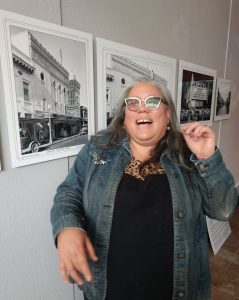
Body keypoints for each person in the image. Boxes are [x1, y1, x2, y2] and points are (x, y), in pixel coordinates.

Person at [50, 78, 238, 300]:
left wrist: (207, 156)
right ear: (124, 116)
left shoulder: (189, 154)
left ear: (167, 114)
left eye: (152, 102)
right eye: (133, 103)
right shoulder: (97, 149)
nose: (142, 108)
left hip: (176, 289)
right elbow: (68, 193)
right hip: (108, 290)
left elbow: (223, 210)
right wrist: (68, 228)